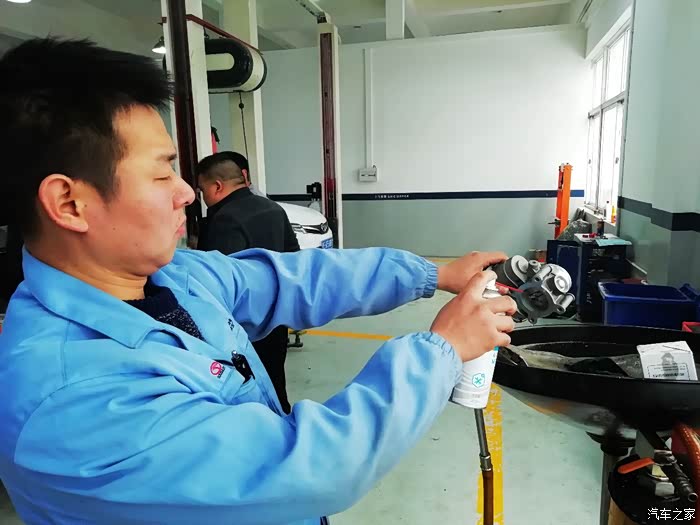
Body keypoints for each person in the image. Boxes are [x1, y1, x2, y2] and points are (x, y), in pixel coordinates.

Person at [0, 38, 516, 525]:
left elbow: (291, 279)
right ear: (70, 203)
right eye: (161, 174)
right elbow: (311, 465)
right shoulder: (73, 403)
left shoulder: (172, 276)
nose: (187, 193)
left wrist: (434, 274)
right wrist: (442, 350)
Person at [196, 151, 300, 413]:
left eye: (202, 190)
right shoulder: (273, 209)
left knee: (247, 389)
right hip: (276, 317)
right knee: (274, 379)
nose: (202, 197)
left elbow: (218, 279)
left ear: (217, 186)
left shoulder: (223, 219)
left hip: (242, 326)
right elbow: (294, 258)